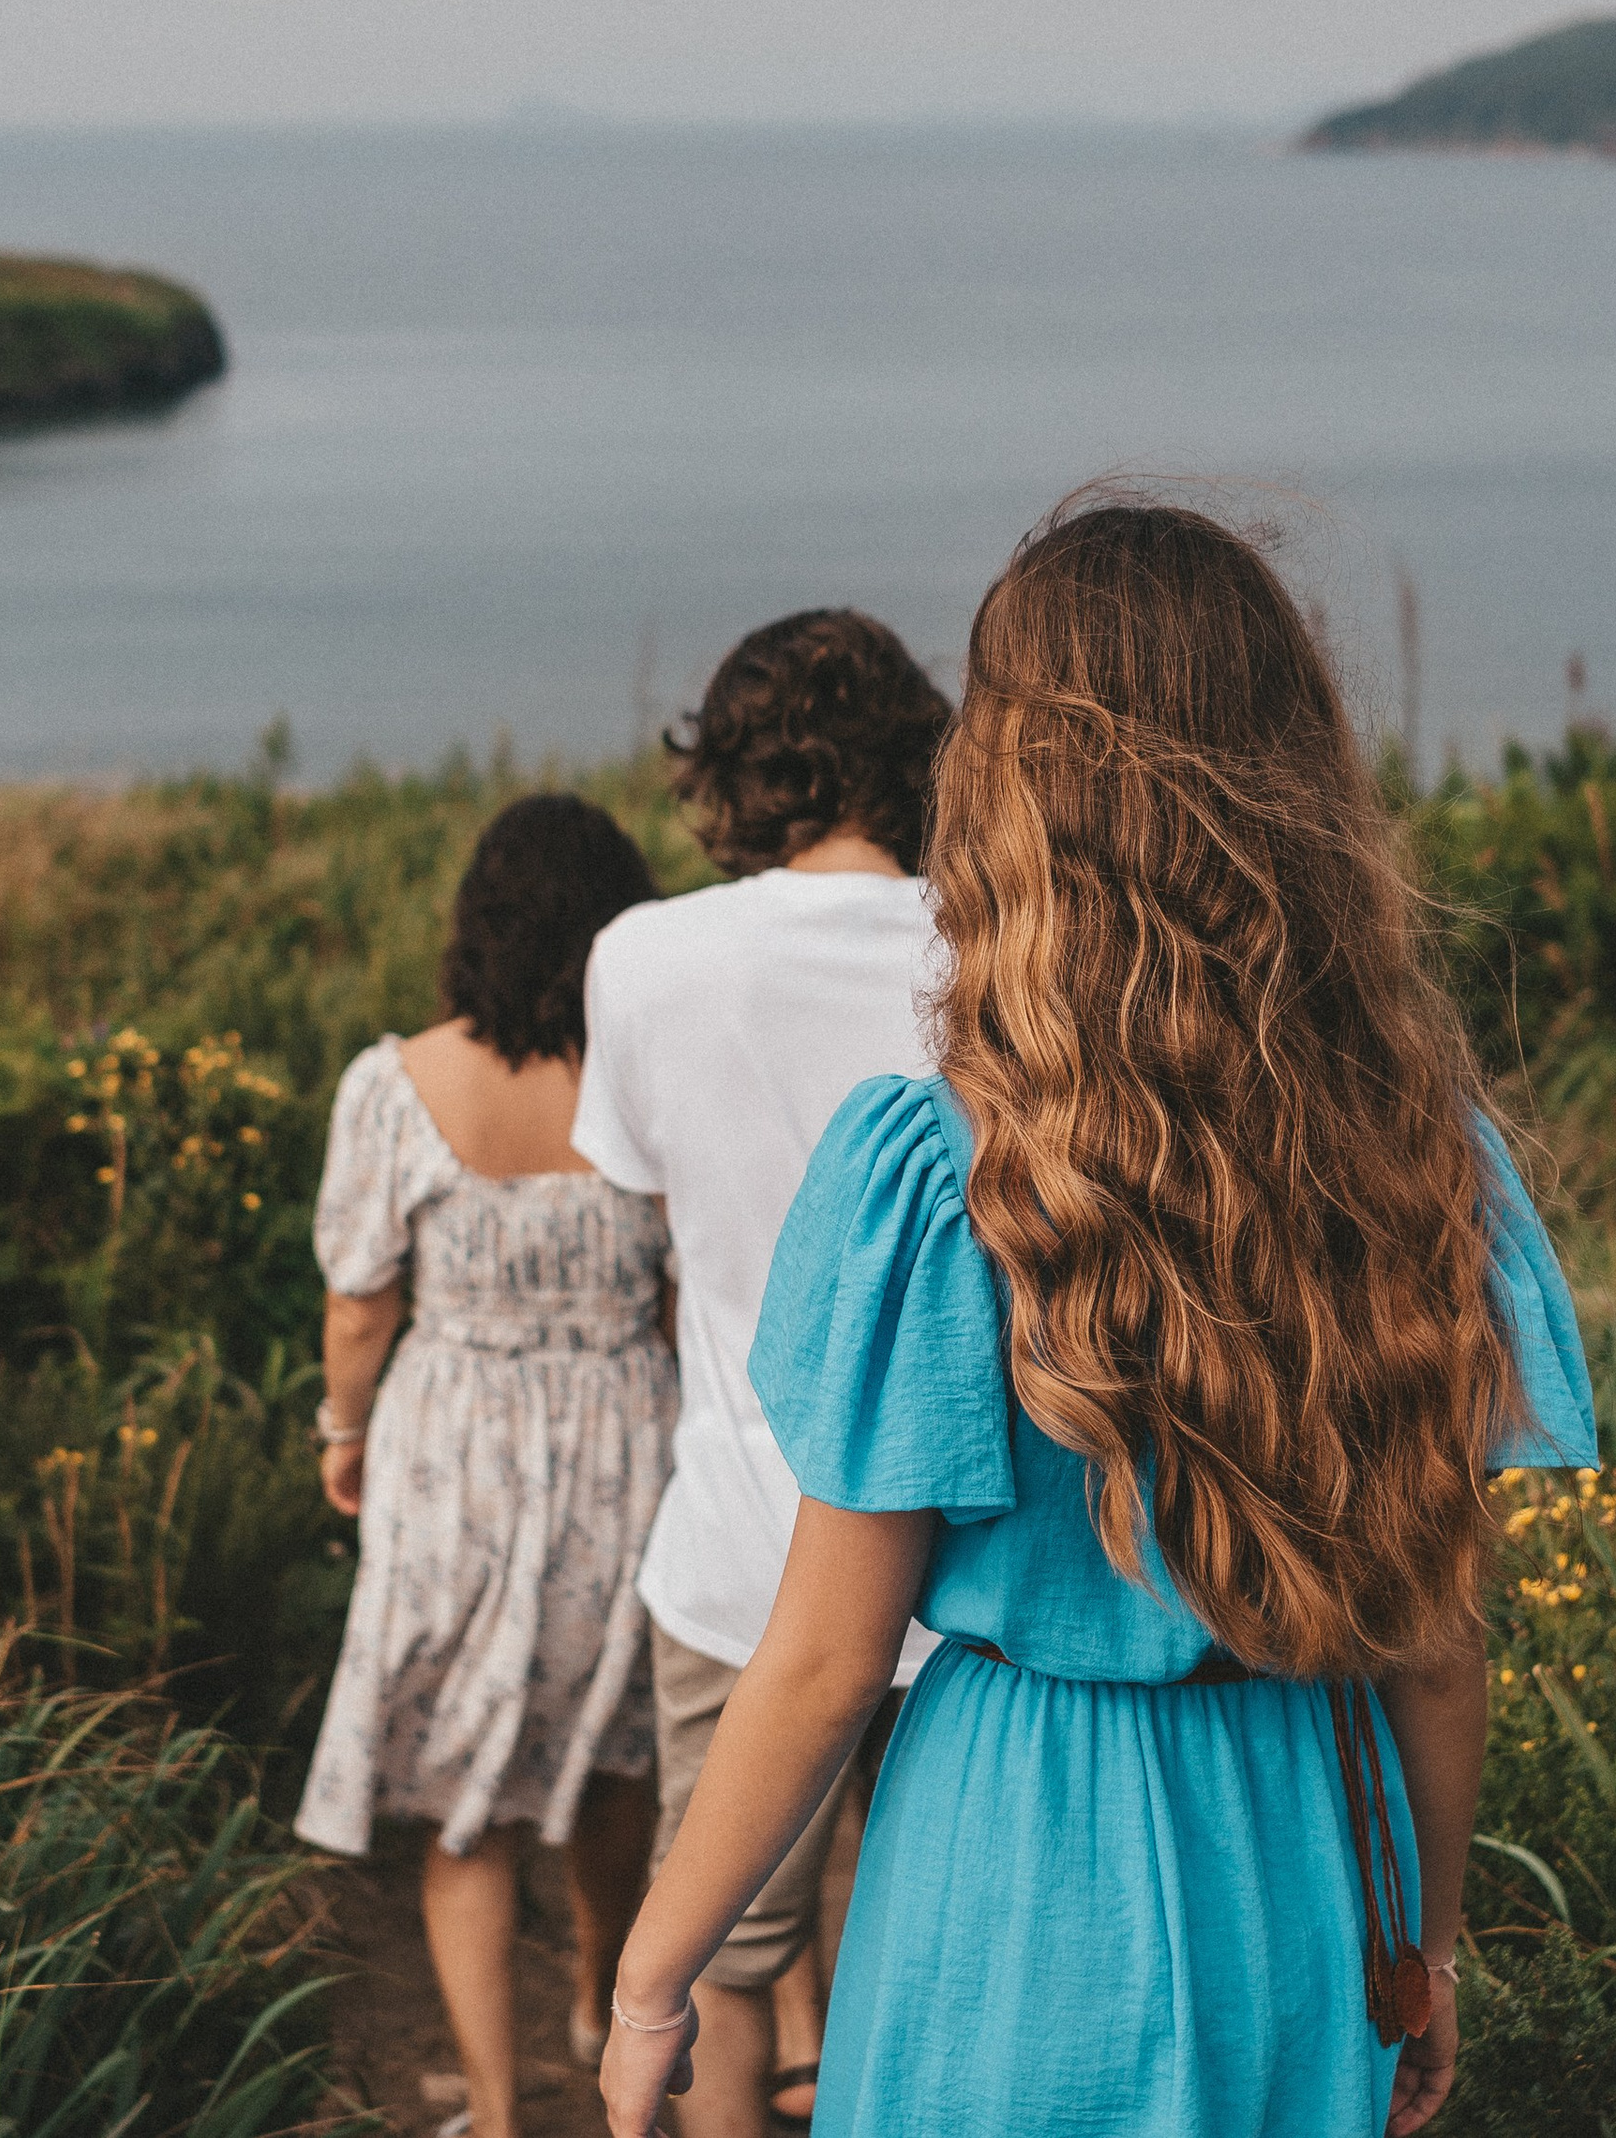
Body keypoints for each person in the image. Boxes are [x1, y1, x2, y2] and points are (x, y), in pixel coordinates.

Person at [600, 495, 1600, 2138]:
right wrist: (1425, 1952)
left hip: (1015, 1870)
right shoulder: (1429, 1167)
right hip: (1306, 1857)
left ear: (1012, 784)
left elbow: (830, 1663)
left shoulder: (948, 1175)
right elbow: (1435, 1648)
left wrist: (654, 1982)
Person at [571, 608, 953, 2138]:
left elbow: (657, 1220)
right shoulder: (1003, 944)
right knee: (937, 1960)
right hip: (971, 1559)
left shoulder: (642, 959)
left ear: (730, 771)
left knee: (717, 1965)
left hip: (742, 1551)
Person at [295, 793, 679, 2138]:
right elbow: (685, 1294)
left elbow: (360, 1304)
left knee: (467, 1798)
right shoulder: (649, 1083)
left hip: (454, 1450)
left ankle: (500, 2115)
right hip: (627, 1440)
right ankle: (601, 2003)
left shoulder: (396, 1085)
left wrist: (343, 1431)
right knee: (616, 1750)